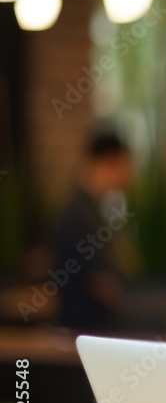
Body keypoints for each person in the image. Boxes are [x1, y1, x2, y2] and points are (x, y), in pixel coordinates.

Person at [51, 132, 136, 330]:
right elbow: (97, 282)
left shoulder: (87, 210)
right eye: (125, 166)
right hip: (82, 329)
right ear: (108, 163)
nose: (129, 175)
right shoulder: (80, 217)